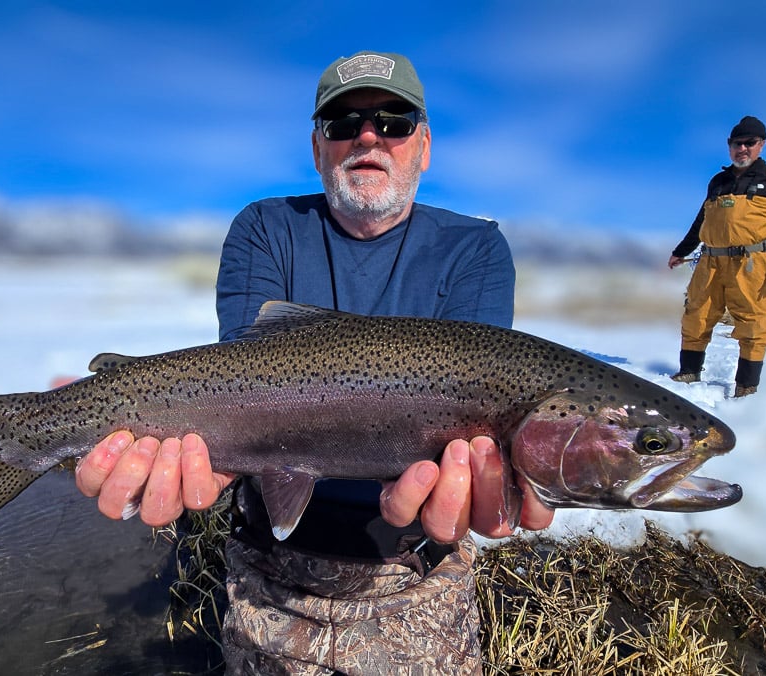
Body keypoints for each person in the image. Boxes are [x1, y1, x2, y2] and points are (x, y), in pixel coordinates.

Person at [74, 51, 554, 674]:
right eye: (342, 124)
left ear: (425, 144)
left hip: (416, 571)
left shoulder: (476, 248)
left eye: (394, 120)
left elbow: (479, 404)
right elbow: (242, 380)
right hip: (268, 570)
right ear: (317, 145)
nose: (368, 137)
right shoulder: (265, 228)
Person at [667, 115, 766, 397]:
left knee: (753, 322)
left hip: (750, 263)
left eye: (749, 143)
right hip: (709, 262)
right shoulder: (719, 181)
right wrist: (681, 251)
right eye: (736, 144)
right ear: (729, 146)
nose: (742, 149)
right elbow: (701, 221)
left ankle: (746, 386)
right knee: (697, 315)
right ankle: (688, 372)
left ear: (761, 145)